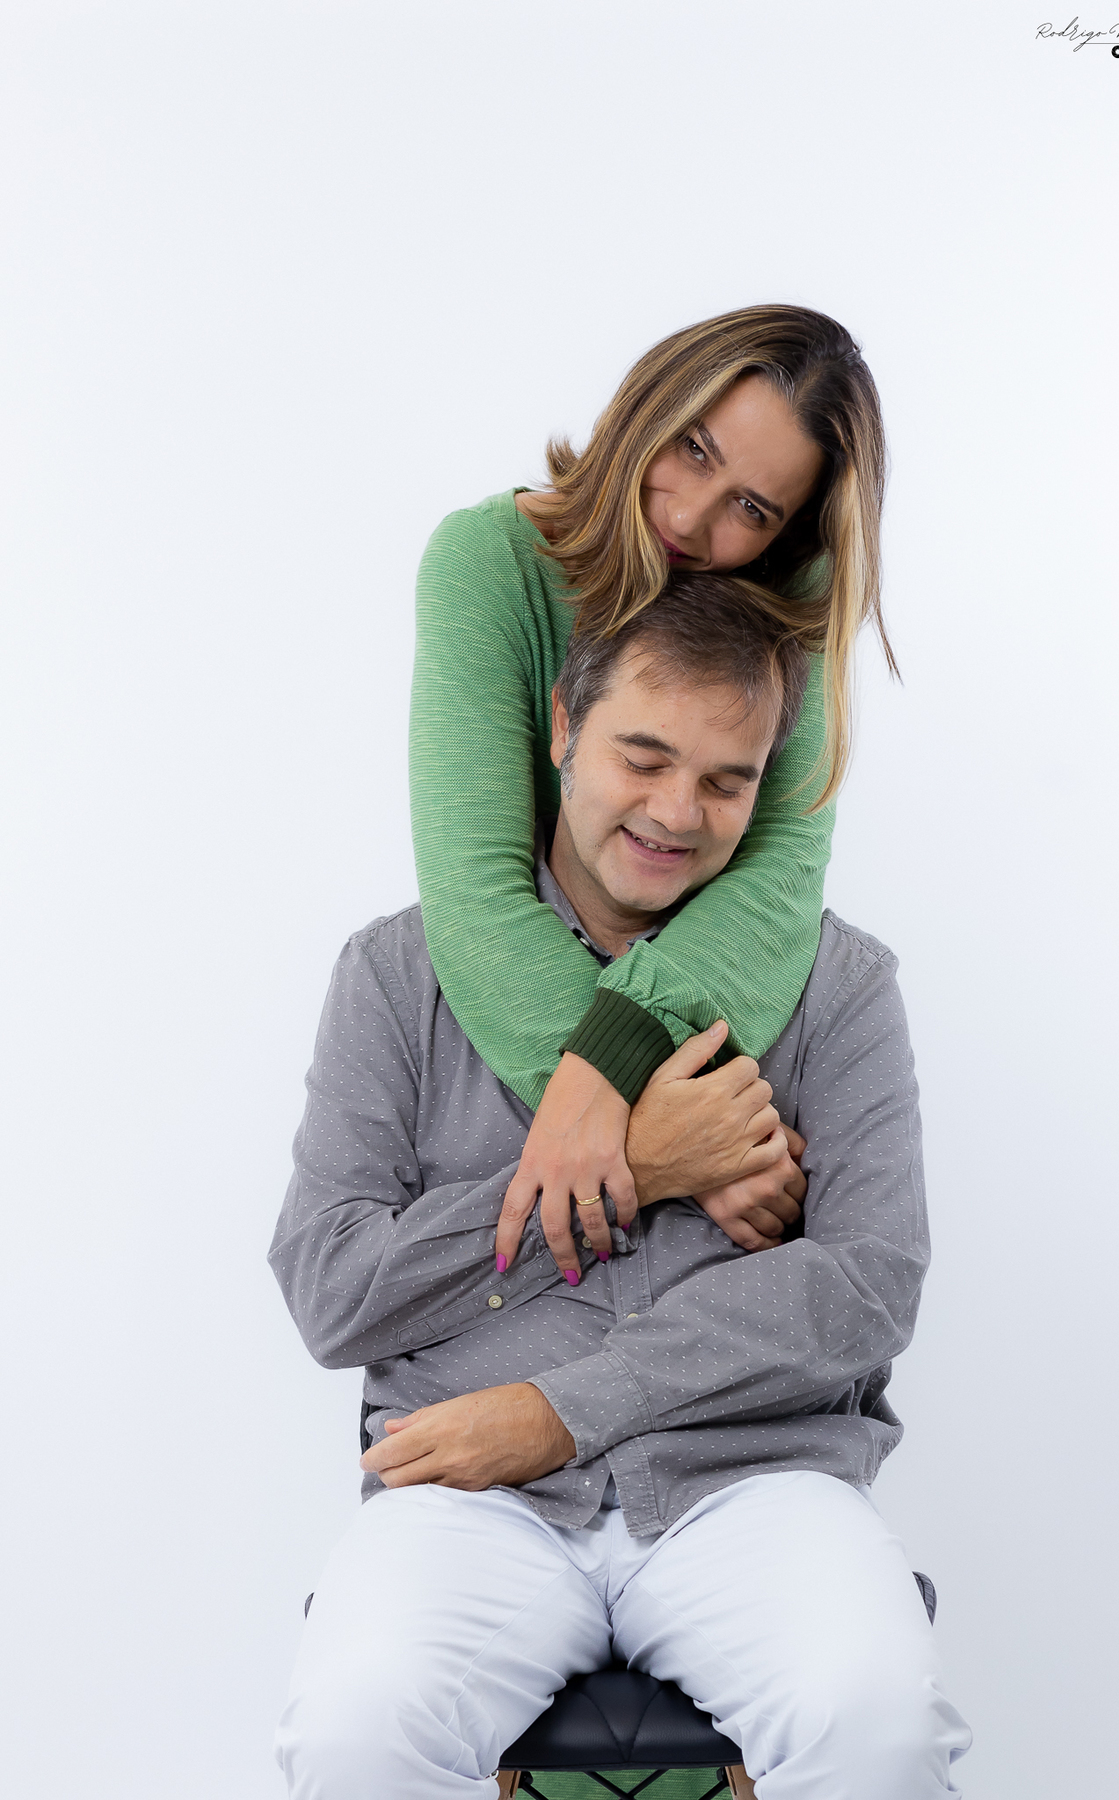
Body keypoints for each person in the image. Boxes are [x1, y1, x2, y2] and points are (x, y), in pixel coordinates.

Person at [270, 575, 971, 1797]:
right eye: (642, 759)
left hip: (754, 1481)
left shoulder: (842, 984)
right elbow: (333, 1290)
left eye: (726, 782)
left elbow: (867, 1285)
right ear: (561, 728)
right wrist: (642, 1169)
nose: (676, 814)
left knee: (879, 1724)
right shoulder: (394, 974)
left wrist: (559, 1408)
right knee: (354, 1729)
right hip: (467, 1495)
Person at [410, 304, 893, 1280]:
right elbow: (475, 887)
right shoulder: (484, 562)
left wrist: (635, 1091)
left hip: (741, 1010)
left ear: (790, 533)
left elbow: (778, 878)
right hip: (506, 1026)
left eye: (752, 509)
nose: (687, 518)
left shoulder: (791, 608)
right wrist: (684, 1137)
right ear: (651, 405)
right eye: (693, 450)